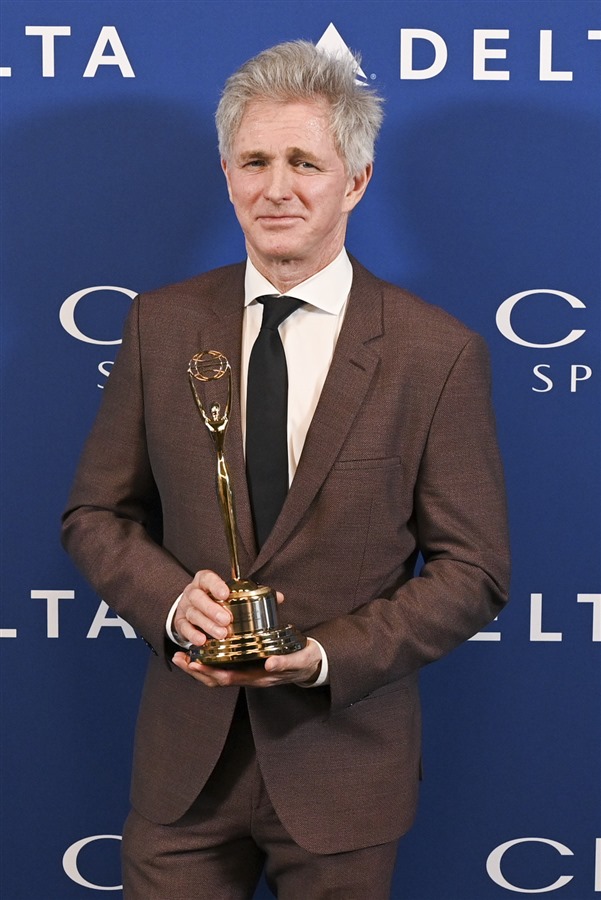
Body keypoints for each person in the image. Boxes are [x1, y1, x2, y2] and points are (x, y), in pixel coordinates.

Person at [62, 40, 510, 900]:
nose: (276, 188)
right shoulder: (160, 325)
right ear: (227, 174)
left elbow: (474, 570)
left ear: (356, 181)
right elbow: (95, 514)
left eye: (305, 162)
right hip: (183, 774)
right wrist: (170, 602)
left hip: (343, 766)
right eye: (255, 161)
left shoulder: (436, 353)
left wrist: (322, 656)